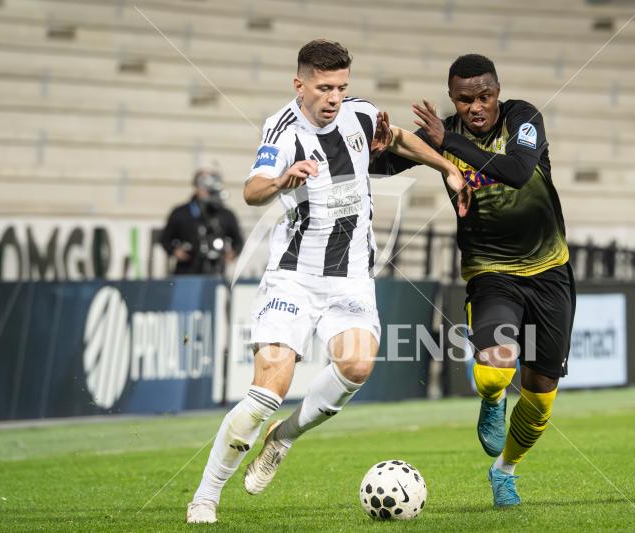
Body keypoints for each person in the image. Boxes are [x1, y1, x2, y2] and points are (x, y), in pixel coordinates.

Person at [185, 39, 468, 524]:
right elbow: (252, 190)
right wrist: (282, 180)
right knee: (268, 390)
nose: (334, 97)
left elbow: (400, 139)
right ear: (300, 85)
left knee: (357, 366)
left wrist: (447, 167)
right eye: (323, 88)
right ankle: (206, 496)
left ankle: (284, 438)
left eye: (341, 86)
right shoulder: (282, 130)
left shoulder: (360, 115)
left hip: (352, 277)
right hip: (294, 277)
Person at [372, 53, 575, 507]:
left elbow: (518, 172)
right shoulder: (440, 135)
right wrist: (375, 148)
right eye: (465, 100)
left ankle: (505, 469)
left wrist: (449, 143)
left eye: (484, 97)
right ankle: (492, 398)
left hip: (550, 271)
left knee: (541, 397)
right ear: (453, 98)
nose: (476, 107)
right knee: (493, 371)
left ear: (498, 92)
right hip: (490, 271)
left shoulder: (523, 118)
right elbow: (384, 165)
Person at [159, 168, 244, 275]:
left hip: (216, 271)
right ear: (196, 186)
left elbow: (238, 241)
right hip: (187, 270)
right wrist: (175, 251)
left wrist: (231, 254)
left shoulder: (225, 214)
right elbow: (165, 239)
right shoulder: (181, 212)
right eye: (203, 184)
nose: (207, 189)